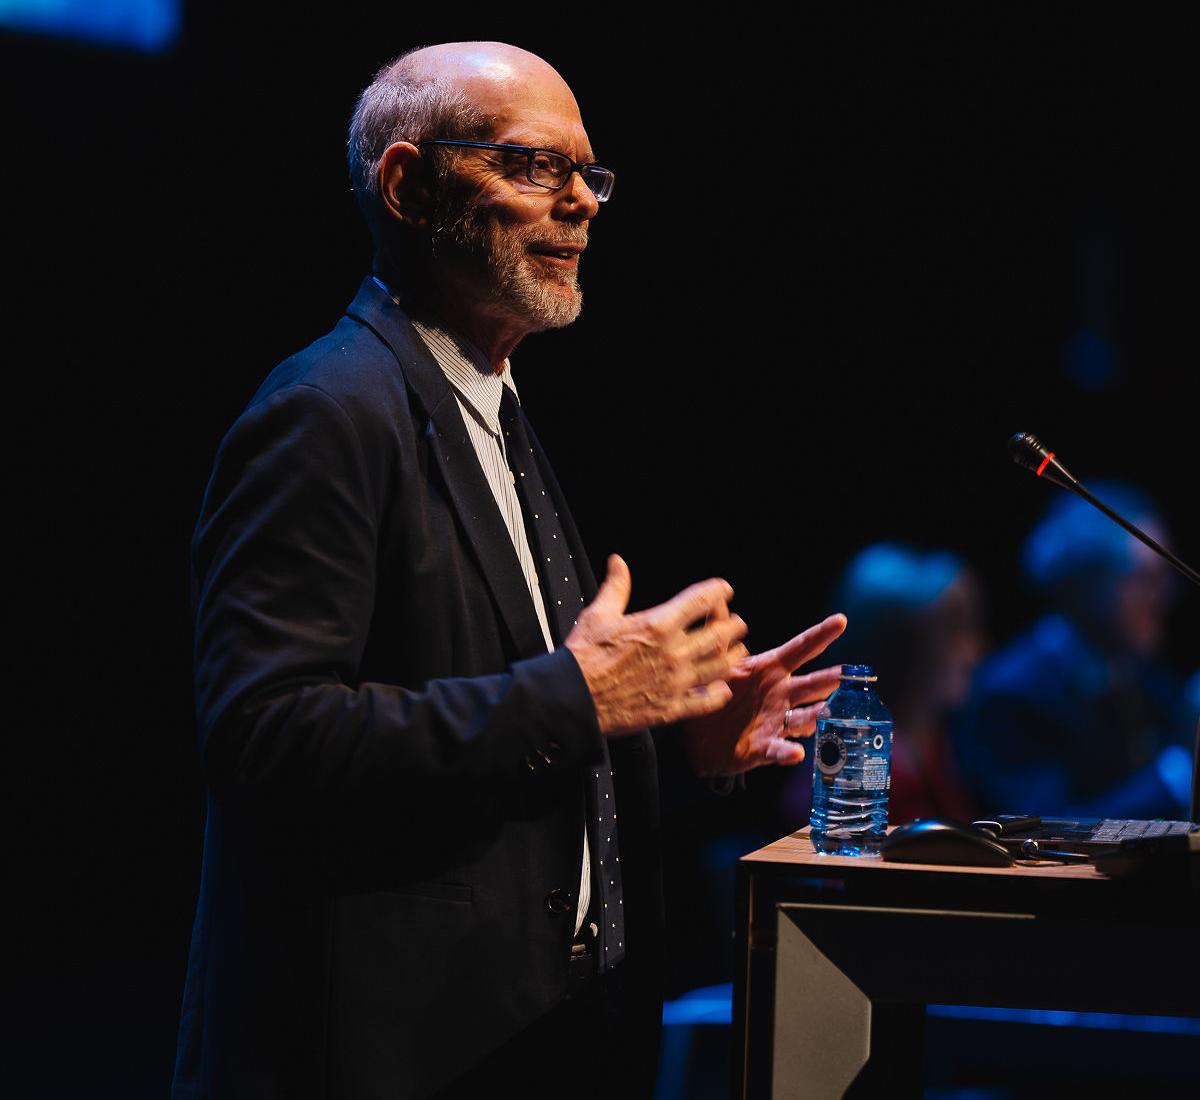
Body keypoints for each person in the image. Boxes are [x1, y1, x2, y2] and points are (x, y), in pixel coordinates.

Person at [171, 42, 845, 1100]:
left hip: (537, 1041)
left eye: (590, 174)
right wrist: (580, 694)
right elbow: (266, 736)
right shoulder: (327, 411)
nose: (580, 202)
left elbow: (514, 748)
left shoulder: (495, 410)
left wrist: (678, 744)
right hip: (383, 1056)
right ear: (407, 185)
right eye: (534, 166)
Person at [953, 482, 1193, 821]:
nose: (1165, 596)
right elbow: (1043, 829)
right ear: (1089, 582)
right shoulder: (1010, 694)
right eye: (1145, 578)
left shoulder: (1149, 680)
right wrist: (1178, 776)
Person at [779, 544, 987, 828]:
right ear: (898, 645)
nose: (974, 653)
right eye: (952, 630)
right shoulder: (851, 759)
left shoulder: (935, 743)